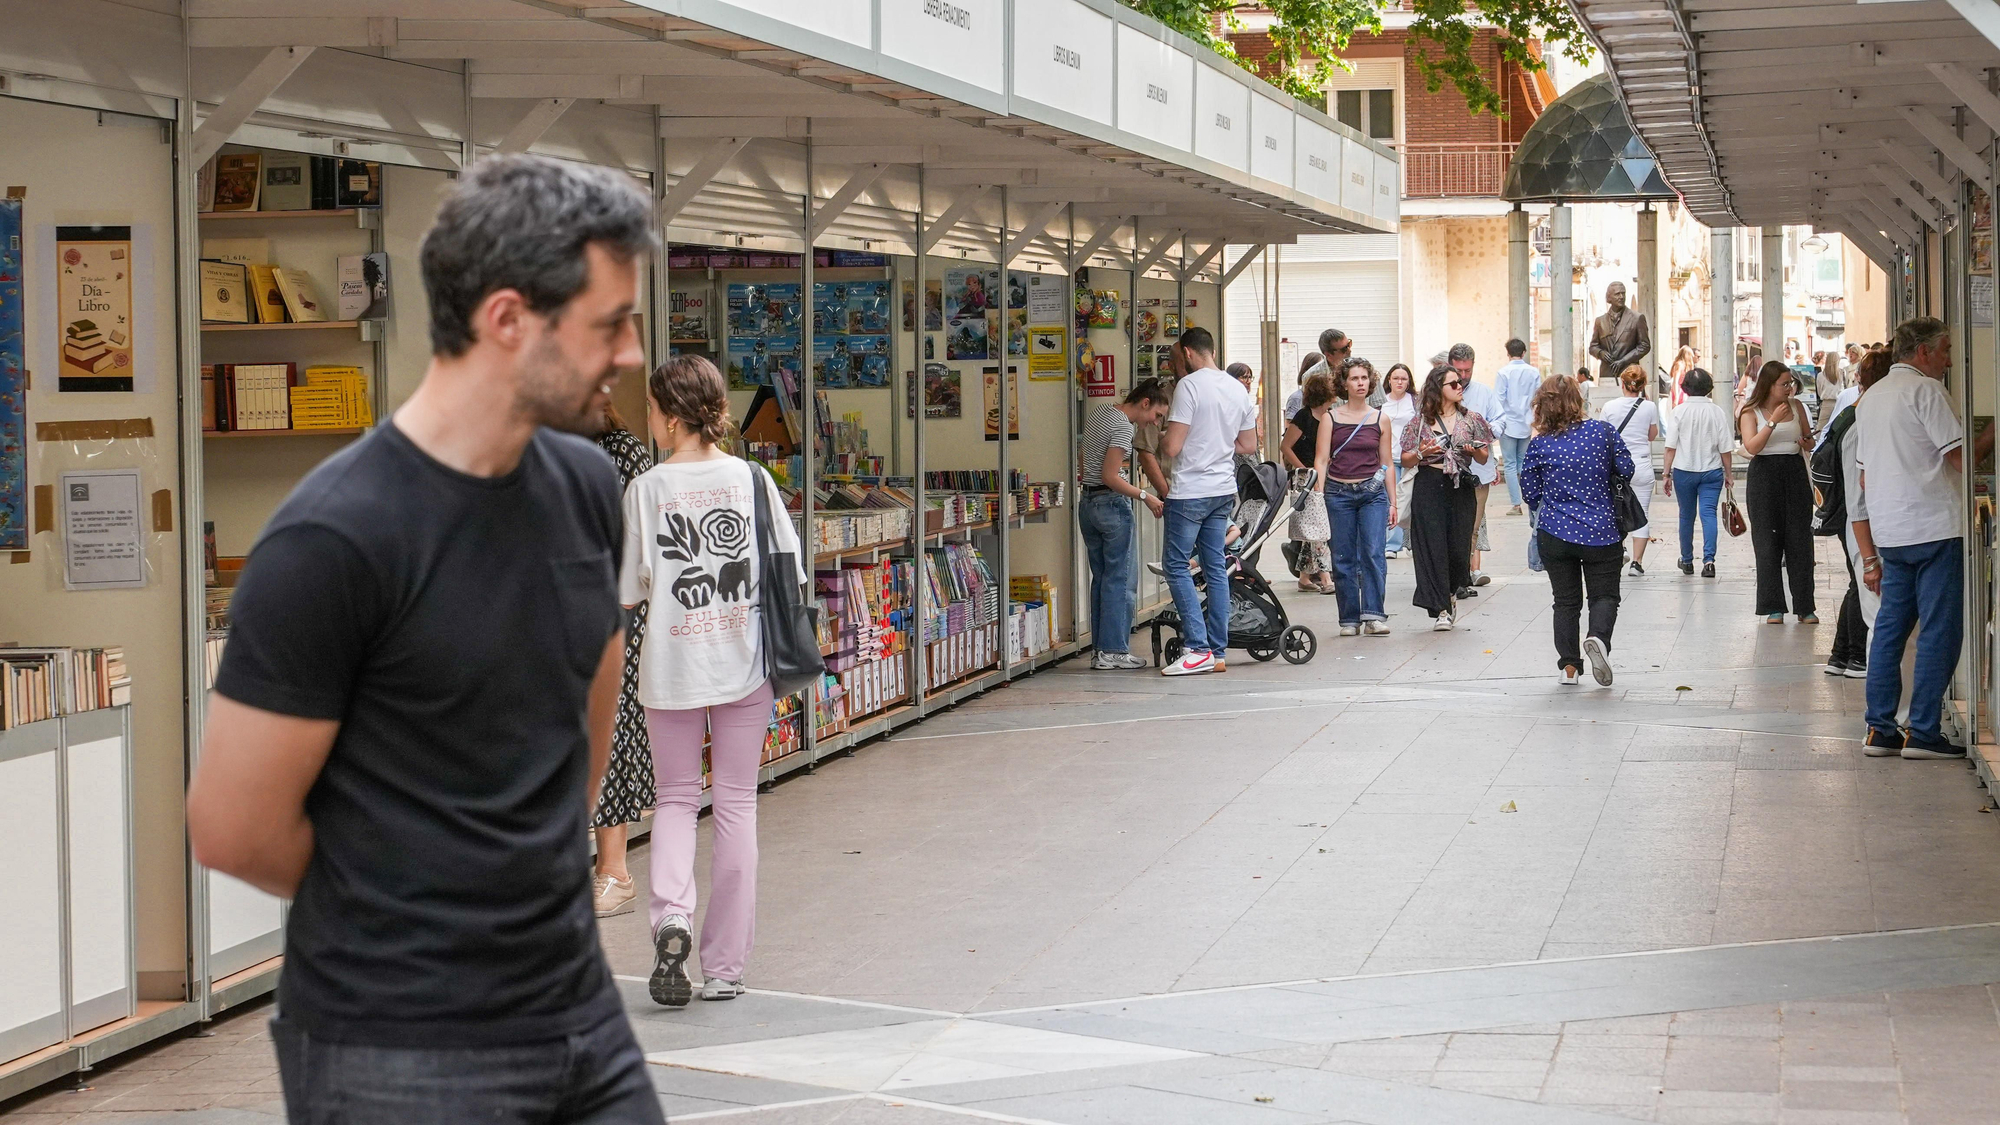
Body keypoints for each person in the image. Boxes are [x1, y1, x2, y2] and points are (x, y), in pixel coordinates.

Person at [185, 154, 664, 1123]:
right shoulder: (334, 537)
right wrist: (414, 901)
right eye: (610, 323)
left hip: (576, 1011)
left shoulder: (582, 491)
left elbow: (592, 679)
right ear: (505, 320)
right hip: (396, 1044)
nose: (627, 353)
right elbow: (232, 827)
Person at [622, 355, 804, 1007]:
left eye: (649, 409)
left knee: (673, 797)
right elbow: (792, 573)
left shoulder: (645, 489)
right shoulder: (753, 481)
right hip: (743, 664)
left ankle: (671, 915)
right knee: (734, 803)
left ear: (671, 417)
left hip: (669, 669)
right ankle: (723, 965)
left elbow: (627, 590)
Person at [1854, 318, 1967, 759]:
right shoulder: (1927, 391)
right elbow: (1958, 458)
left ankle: (1880, 729)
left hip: (1892, 531)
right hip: (1937, 526)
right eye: (1944, 350)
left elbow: (1864, 480)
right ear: (1923, 352)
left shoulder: (1872, 398)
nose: (1950, 360)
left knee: (1890, 629)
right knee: (1939, 630)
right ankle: (1923, 730)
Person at [1160, 327, 1259, 675]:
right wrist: (1217, 443)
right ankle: (1216, 651)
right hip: (1222, 489)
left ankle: (1197, 647)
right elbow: (1247, 445)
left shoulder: (1189, 386)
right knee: (1215, 566)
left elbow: (1171, 447)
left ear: (1187, 352)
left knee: (1175, 565)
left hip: (1190, 491)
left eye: (1174, 357)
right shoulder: (1237, 388)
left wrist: (1162, 437)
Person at [1522, 374, 1631, 686]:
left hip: (1555, 533)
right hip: (1601, 530)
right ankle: (1598, 638)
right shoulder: (1603, 432)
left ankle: (1569, 667)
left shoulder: (1540, 444)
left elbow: (1529, 492)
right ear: (1578, 400)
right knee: (1605, 595)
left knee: (1565, 601)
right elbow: (1627, 469)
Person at [592, 403, 655, 919]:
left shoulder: (622, 453)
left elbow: (641, 543)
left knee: (606, 730)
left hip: (610, 612)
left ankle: (614, 870)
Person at [1082, 380, 1171, 668]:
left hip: (1088, 504)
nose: (1155, 423)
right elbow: (1111, 476)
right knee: (1121, 581)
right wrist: (1145, 495)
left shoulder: (1101, 412)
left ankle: (1100, 651)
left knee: (1102, 578)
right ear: (1145, 403)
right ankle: (1115, 651)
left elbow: (1089, 463)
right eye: (1156, 415)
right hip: (1111, 505)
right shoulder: (1123, 427)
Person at [1400, 364, 1493, 630]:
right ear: (1437, 389)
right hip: (1429, 483)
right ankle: (1441, 607)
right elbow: (1406, 459)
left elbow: (1484, 456)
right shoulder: (1419, 422)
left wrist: (1473, 451)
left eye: (1460, 382)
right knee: (1432, 546)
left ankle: (1452, 593)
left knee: (1457, 546)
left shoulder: (1471, 418)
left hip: (1460, 486)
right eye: (1453, 384)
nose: (1459, 387)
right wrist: (1421, 453)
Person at [1823, 348, 1890, 680]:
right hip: (1865, 528)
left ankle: (1844, 656)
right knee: (1876, 611)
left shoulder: (1859, 414)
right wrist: (1869, 559)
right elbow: (1857, 497)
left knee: (1865, 596)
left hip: (1865, 525)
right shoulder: (1860, 422)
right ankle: (1858, 665)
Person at [1738, 359, 1818, 623]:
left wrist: (1807, 441)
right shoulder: (1751, 411)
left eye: (1790, 383)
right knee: (1767, 542)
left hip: (1794, 471)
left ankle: (1805, 606)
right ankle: (1773, 606)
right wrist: (1771, 422)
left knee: (1800, 541)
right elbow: (1752, 447)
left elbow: (1809, 440)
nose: (1789, 388)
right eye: (1784, 384)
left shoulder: (1797, 407)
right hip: (1764, 475)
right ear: (1769, 385)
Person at [1324, 358, 1396, 636]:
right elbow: (1321, 461)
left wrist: (1392, 501)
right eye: (1354, 378)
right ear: (1344, 383)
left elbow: (1386, 461)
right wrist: (1318, 496)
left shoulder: (1380, 419)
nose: (1360, 383)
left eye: (1364, 378)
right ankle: (1349, 618)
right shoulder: (1331, 418)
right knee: (1342, 556)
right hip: (1338, 492)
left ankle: (1374, 614)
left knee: (1374, 552)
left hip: (1372, 493)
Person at [1661, 367, 1733, 577]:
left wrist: (1666, 474)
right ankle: (1709, 561)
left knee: (1686, 516)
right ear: (1709, 388)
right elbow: (1725, 447)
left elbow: (1670, 447)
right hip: (1711, 470)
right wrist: (1728, 474)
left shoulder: (1679, 412)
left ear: (1685, 388)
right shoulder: (1717, 411)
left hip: (1684, 470)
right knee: (1708, 514)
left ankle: (1687, 560)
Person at [1599, 364, 1660, 574]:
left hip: (1616, 466)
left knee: (1615, 511)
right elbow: (1652, 436)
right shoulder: (1650, 407)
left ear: (1622, 383)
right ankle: (1637, 562)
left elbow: (1603, 439)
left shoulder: (1609, 407)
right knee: (1641, 512)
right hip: (1641, 464)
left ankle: (1621, 549)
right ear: (1643, 385)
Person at [1282, 371, 1337, 594]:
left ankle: (1305, 577)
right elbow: (1286, 446)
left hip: (1324, 473)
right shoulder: (1304, 417)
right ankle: (1326, 578)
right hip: (1305, 477)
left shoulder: (1330, 416)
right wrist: (1302, 469)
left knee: (1313, 527)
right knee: (1318, 528)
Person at [1450, 344, 1499, 592]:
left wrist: (1486, 434)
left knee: (1472, 526)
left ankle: (1465, 576)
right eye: (1458, 370)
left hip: (1478, 470)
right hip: (1447, 471)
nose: (1463, 376)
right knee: (1452, 526)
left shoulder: (1484, 393)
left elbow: (1500, 420)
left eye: (1467, 370)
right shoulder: (1438, 393)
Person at [1492, 339, 1540, 515]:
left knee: (1510, 465)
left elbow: (1498, 399)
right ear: (1524, 352)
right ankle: (1529, 499)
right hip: (1527, 422)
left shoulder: (1503, 372)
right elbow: (1538, 397)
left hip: (1508, 423)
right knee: (1523, 464)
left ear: (1507, 353)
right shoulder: (1533, 372)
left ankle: (1516, 504)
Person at [1380, 363, 1418, 557]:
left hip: (1409, 458)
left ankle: (1410, 542)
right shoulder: (1381, 402)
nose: (1400, 382)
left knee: (1409, 500)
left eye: (1404, 379)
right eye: (1396, 378)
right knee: (1391, 501)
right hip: (1387, 459)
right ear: (1389, 380)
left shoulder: (1415, 402)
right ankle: (1392, 545)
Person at [1588, 281, 1651, 384]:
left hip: (1630, 373)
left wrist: (1624, 361)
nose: (1621, 297)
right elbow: (1593, 347)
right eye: (1617, 294)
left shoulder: (1636, 318)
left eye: (1623, 293)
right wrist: (1601, 353)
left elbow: (1644, 345)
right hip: (1607, 374)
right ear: (1609, 298)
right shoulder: (1600, 321)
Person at [1285, 328, 1351, 417]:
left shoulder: (1359, 370)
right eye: (1344, 349)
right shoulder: (1311, 375)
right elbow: (1308, 414)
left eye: (1349, 344)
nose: (1349, 350)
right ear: (1328, 354)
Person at [1667, 344, 1697, 409]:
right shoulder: (1679, 364)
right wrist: (1676, 397)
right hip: (1678, 390)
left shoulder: (1687, 365)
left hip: (1684, 389)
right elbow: (1675, 381)